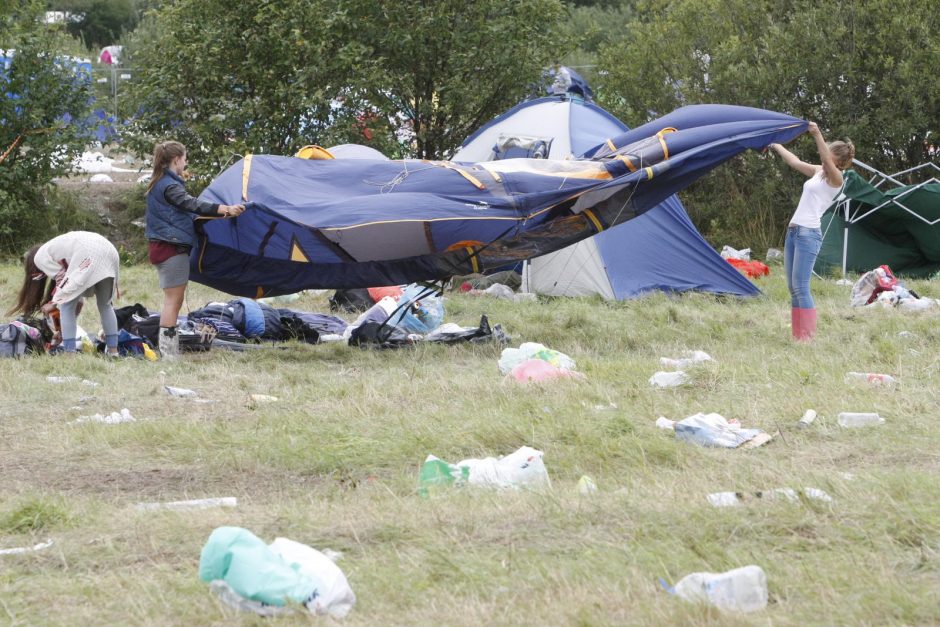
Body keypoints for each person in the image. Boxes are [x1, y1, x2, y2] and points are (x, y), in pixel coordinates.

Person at [145, 141, 245, 359]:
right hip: (171, 247)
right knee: (173, 301)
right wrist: (225, 209)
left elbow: (185, 210)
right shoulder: (170, 186)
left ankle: (169, 353)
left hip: (164, 246)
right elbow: (192, 204)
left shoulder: (162, 182)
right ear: (176, 160)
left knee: (173, 300)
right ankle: (169, 355)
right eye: (185, 158)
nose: (186, 162)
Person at [769, 123, 855, 341]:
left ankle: (807, 339)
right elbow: (794, 162)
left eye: (829, 151)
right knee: (792, 287)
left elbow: (825, 159)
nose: (825, 154)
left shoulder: (837, 180)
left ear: (837, 159)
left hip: (809, 234)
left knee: (801, 287)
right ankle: (798, 337)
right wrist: (776, 144)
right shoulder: (818, 173)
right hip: (794, 232)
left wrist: (817, 133)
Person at [7, 231, 121, 355]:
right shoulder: (58, 250)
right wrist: (62, 331)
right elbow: (77, 298)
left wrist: (54, 303)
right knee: (105, 305)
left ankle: (69, 354)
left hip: (88, 254)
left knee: (66, 305)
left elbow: (63, 279)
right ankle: (113, 352)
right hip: (109, 250)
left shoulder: (39, 258)